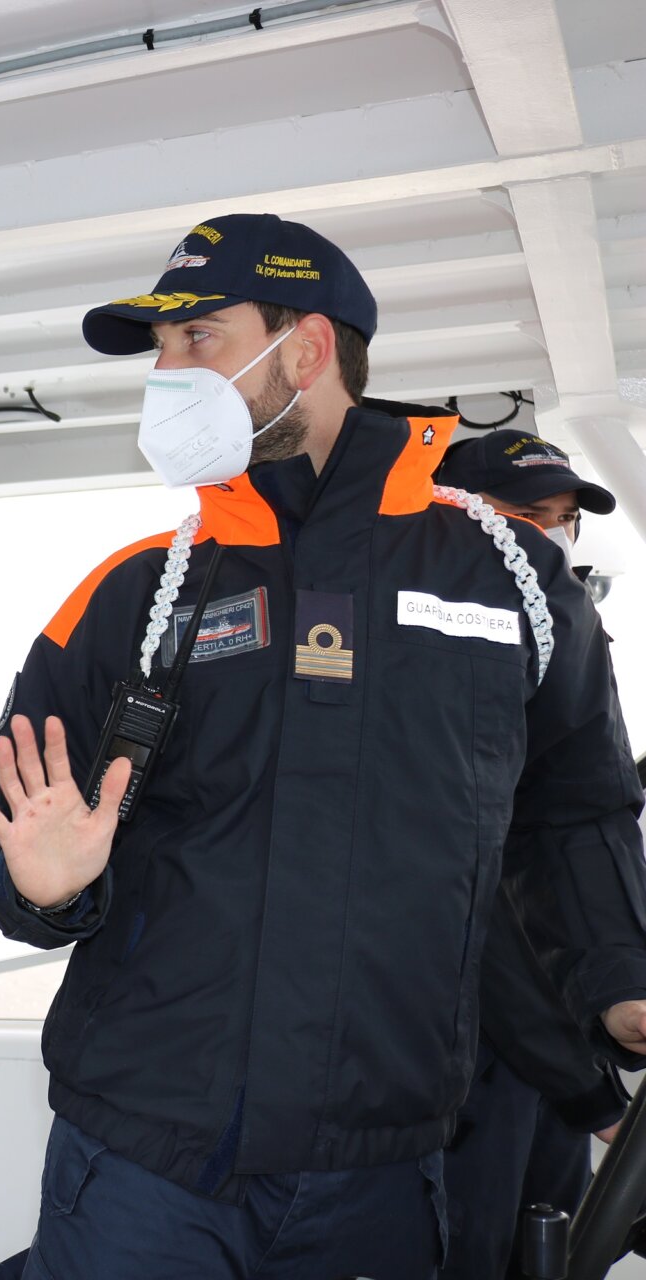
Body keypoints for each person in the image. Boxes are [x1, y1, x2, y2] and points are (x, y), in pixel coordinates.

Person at [0, 213, 646, 1279]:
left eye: (200, 338)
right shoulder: (135, 593)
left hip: (381, 1167)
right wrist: (42, 890)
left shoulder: (514, 579)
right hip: (146, 1161)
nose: (168, 371)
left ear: (309, 349)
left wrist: (620, 975)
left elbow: (579, 810)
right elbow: (7, 846)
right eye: (163, 347)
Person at [432, 429, 628, 1278]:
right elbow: (473, 899)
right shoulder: (434, 661)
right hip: (469, 1060)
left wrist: (616, 994)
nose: (549, 535)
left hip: (556, 1045)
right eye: (524, 515)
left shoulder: (570, 637)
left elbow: (582, 832)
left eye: (563, 518)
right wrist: (588, 1089)